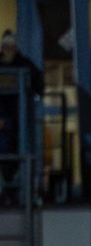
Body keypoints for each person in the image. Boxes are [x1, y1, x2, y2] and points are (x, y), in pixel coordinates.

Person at [0, 31, 43, 205]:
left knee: (18, 152)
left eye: (11, 46)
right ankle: (8, 189)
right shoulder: (23, 65)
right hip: (6, 118)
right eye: (6, 45)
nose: (8, 49)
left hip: (19, 117)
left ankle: (12, 189)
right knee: (6, 151)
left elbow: (38, 82)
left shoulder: (25, 65)